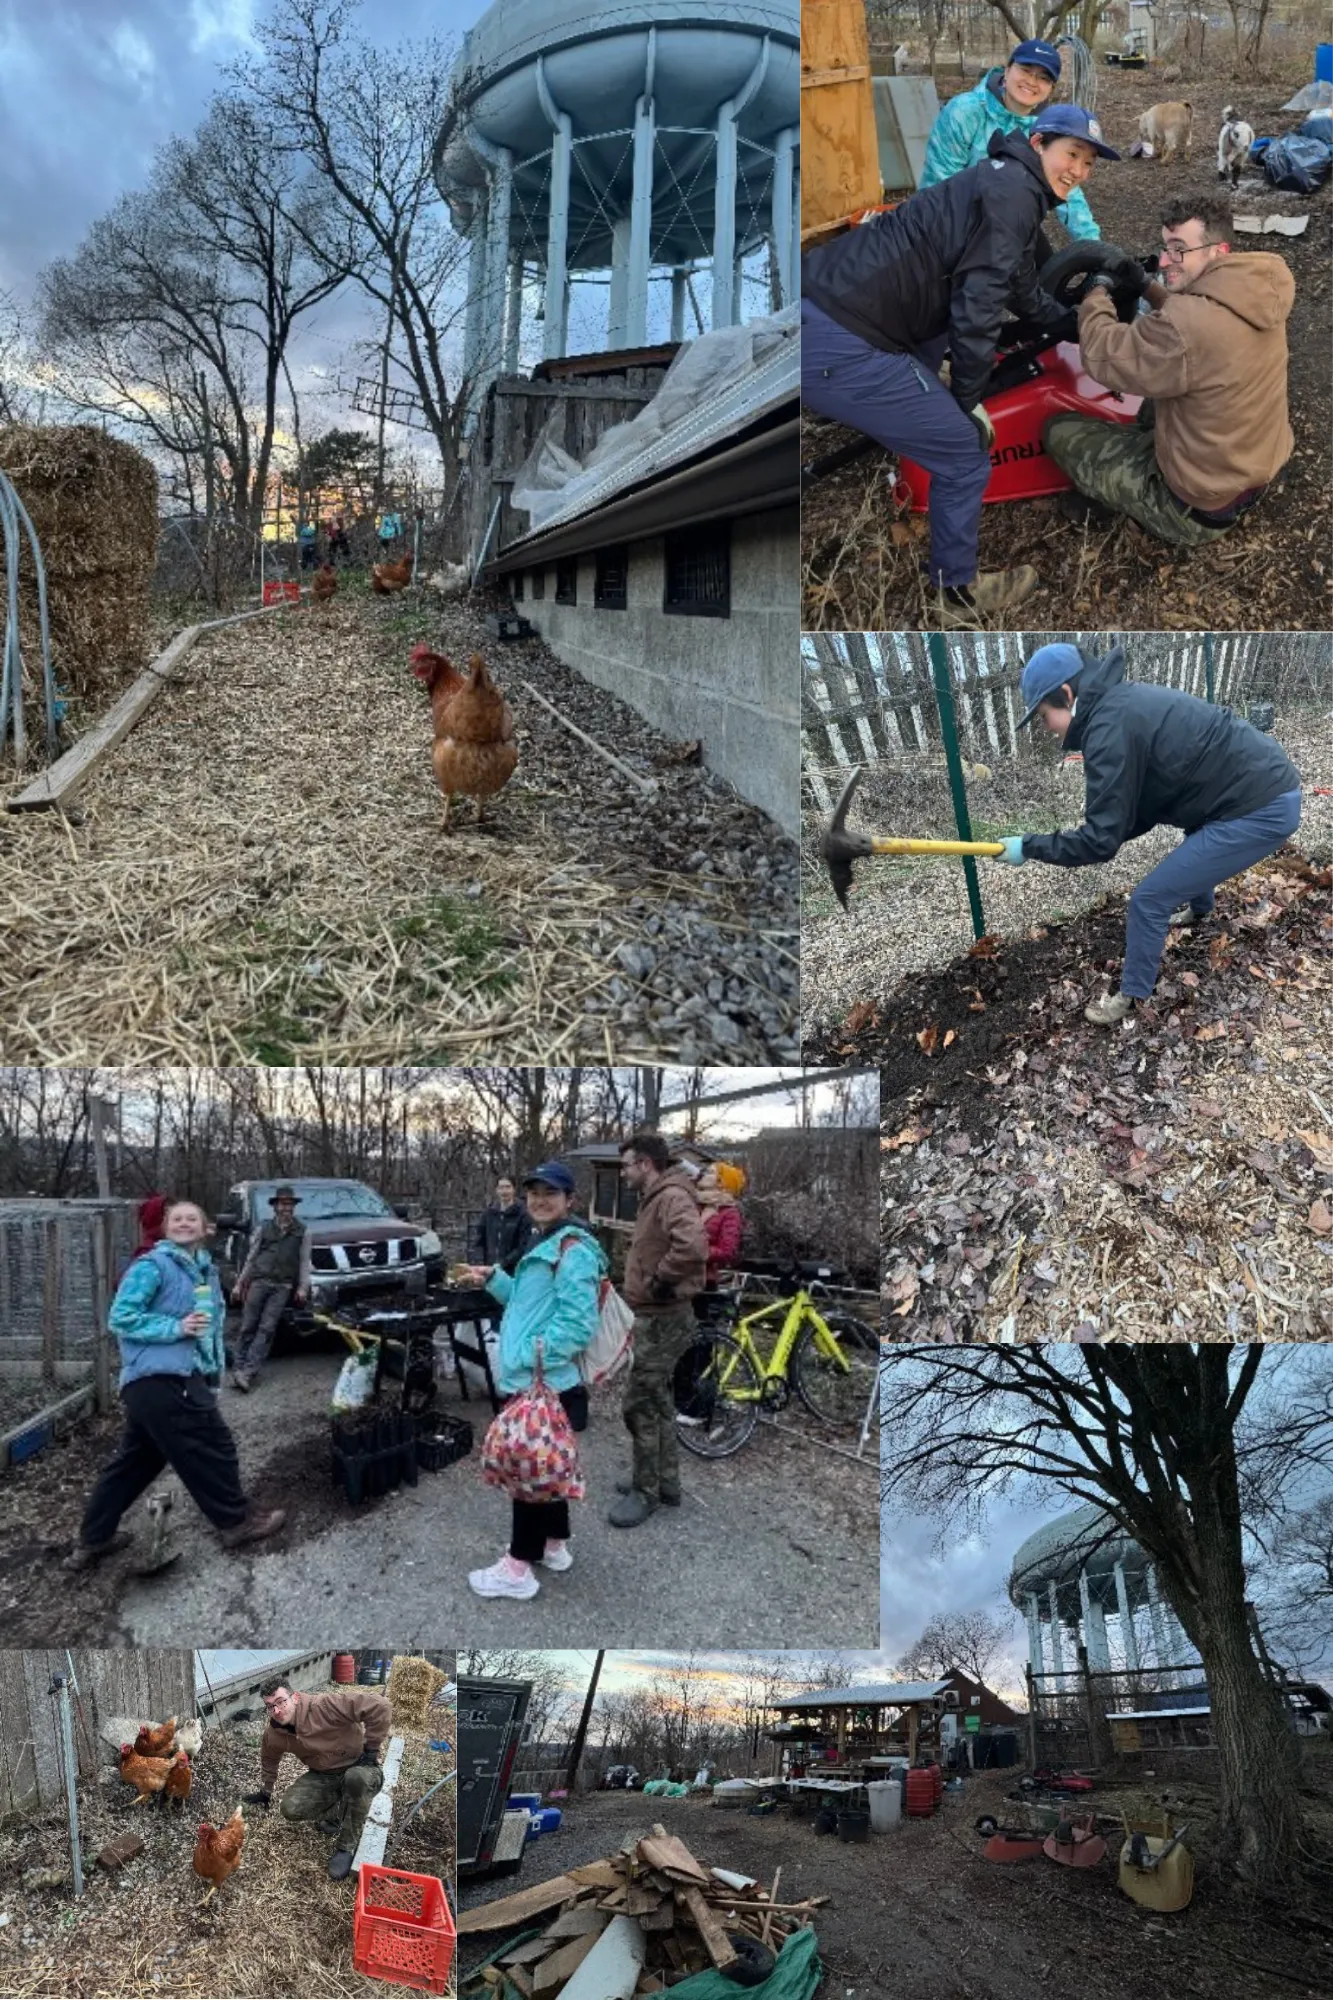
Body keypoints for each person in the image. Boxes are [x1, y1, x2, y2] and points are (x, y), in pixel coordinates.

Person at [802, 104, 1117, 626]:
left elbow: (1018, 285)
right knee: (965, 454)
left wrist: (1072, 325)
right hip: (841, 341)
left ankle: (883, 408)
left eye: (1088, 163)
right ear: (1039, 143)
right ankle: (956, 594)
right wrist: (968, 401)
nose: (1079, 171)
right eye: (1071, 155)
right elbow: (978, 310)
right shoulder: (1015, 196)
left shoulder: (1004, 180)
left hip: (828, 300)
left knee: (936, 348)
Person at [994, 642, 1302, 1024]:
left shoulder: (1107, 730)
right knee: (1195, 838)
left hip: (1260, 807)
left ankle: (1131, 995)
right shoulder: (1117, 706)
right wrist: (1102, 831)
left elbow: (1100, 840)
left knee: (1148, 901)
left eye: (1044, 716)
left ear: (1068, 696)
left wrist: (1029, 846)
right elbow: (1136, 813)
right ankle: (1201, 910)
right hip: (1250, 789)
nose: (1047, 729)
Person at [1044, 194, 1294, 545]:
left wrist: (1096, 291)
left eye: (1178, 249)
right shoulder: (1258, 290)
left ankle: (1133, 504)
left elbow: (1102, 352)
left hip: (1196, 508)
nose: (1164, 260)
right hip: (1249, 470)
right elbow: (1196, 317)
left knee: (1058, 431)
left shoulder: (1184, 330)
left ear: (1217, 251)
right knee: (1148, 406)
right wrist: (1147, 286)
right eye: (1165, 248)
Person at [64, 1200, 285, 1571]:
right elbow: (121, 1317)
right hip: (160, 1376)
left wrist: (213, 1374)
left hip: (169, 1380)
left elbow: (209, 1331)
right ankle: (235, 1523)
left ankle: (92, 1540)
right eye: (177, 1218)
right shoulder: (153, 1265)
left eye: (192, 1218)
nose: (184, 1223)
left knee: (136, 1461)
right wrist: (175, 1328)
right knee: (213, 1446)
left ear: (204, 1229)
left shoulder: (204, 1271)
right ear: (166, 1229)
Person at [465, 1162, 607, 1600]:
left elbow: (579, 1323)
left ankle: (517, 1569)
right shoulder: (543, 1241)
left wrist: (529, 1357)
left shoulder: (573, 1250)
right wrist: (495, 1280)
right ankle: (554, 1545)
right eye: (534, 1192)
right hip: (539, 1380)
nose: (540, 1199)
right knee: (546, 1467)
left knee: (527, 1470)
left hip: (542, 1382)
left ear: (570, 1200)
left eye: (551, 1192)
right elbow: (528, 1306)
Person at [613, 1132, 708, 1528]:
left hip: (663, 1318)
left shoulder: (670, 1197)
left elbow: (693, 1246)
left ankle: (645, 1491)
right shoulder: (656, 1198)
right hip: (654, 1315)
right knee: (660, 1401)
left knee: (640, 1405)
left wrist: (660, 1280)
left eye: (626, 1165)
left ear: (646, 1164)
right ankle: (666, 1483)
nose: (622, 1173)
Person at [920, 40, 1101, 245]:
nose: (1032, 81)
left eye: (1043, 78)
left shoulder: (1044, 130)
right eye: (1025, 70)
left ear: (1050, 88)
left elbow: (1067, 187)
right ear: (1007, 71)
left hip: (1005, 226)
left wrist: (1094, 247)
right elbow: (938, 184)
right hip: (950, 226)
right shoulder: (965, 112)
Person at [244, 1677, 390, 1881]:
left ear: (294, 1697)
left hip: (360, 1767)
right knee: (290, 1808)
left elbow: (380, 1705)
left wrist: (372, 1750)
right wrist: (266, 1791)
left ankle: (346, 1847)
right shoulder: (275, 1732)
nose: (276, 1710)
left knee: (356, 1779)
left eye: (280, 1701)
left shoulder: (325, 1706)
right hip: (325, 1774)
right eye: (270, 1706)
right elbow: (269, 1758)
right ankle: (338, 1812)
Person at [230, 1186, 311, 1392]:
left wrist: (303, 1287)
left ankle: (248, 1372)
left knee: (267, 1329)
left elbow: (304, 1261)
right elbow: (251, 1258)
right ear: (275, 1207)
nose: (286, 1208)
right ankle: (237, 1367)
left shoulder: (303, 1231)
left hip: (282, 1286)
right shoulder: (263, 1228)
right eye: (282, 1204)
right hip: (259, 1282)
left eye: (290, 1204)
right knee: (248, 1325)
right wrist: (240, 1284)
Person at [467, 1175, 534, 1276]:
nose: (504, 1191)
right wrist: (479, 1263)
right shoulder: (489, 1213)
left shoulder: (523, 1214)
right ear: (496, 1190)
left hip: (513, 1271)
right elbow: (479, 1240)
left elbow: (523, 1247)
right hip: (488, 1269)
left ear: (514, 1189)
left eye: (508, 1187)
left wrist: (502, 1263)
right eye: (501, 1187)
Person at [697, 1162, 746, 1286]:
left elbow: (726, 1251)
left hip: (704, 1280)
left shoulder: (729, 1212)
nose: (703, 1173)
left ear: (721, 1183)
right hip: (679, 1275)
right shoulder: (695, 1202)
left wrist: (694, 1251)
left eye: (710, 1172)